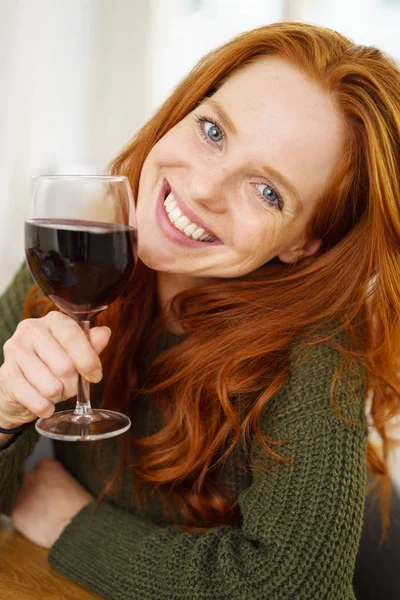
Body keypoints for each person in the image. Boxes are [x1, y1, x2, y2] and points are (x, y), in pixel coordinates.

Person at [0, 20, 399, 600]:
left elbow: (295, 590)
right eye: (213, 130)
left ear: (303, 243)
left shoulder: (320, 348)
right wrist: (6, 414)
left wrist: (73, 525)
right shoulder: (73, 250)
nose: (206, 188)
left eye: (267, 192)